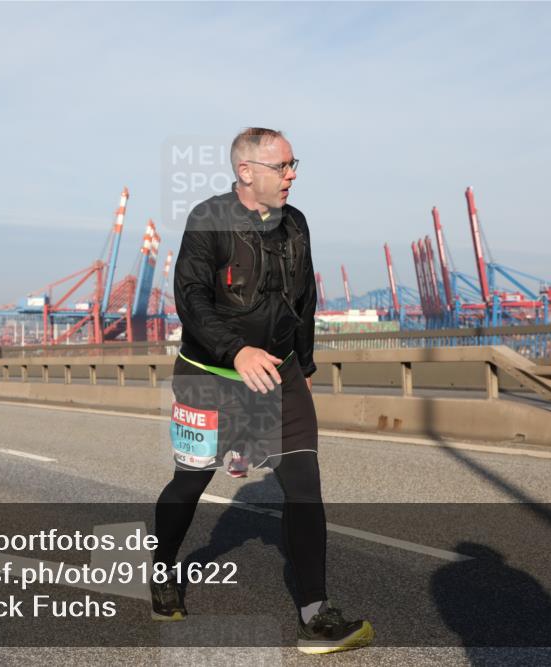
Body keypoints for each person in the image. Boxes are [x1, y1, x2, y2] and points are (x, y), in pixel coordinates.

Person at [150, 128, 373, 655]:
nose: (292, 175)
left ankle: (315, 617)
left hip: (281, 375)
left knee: (303, 481)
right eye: (283, 166)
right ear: (247, 172)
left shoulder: (297, 224)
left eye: (295, 164)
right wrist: (236, 351)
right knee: (190, 482)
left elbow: (305, 299)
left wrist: (307, 362)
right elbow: (192, 300)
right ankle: (162, 569)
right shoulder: (209, 220)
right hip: (210, 378)